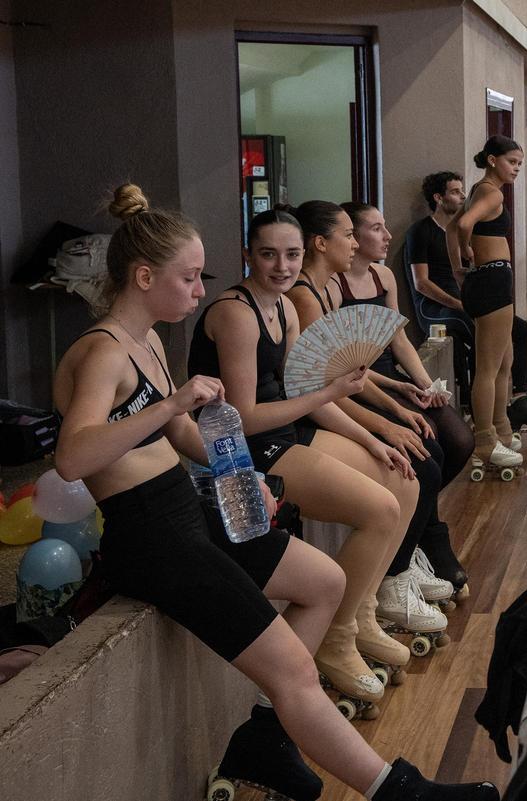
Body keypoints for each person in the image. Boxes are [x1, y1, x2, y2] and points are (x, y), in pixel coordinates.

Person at [58, 184, 496, 801]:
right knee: (294, 670)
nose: (199, 291)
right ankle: (399, 792)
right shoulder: (100, 353)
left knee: (325, 582)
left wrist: (246, 480)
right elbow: (73, 458)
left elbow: (185, 437)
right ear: (144, 276)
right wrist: (175, 403)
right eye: (188, 278)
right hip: (150, 538)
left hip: (187, 511)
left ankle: (264, 740)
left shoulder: (148, 341)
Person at [189, 206, 421, 707]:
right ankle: (336, 638)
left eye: (291, 255)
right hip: (243, 452)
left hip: (286, 432)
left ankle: (360, 615)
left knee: (404, 481)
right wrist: (328, 394)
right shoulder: (236, 314)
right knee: (380, 509)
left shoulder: (285, 308)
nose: (282, 266)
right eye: (268, 255)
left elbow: (305, 391)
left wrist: (373, 439)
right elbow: (245, 417)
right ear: (248, 255)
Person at [338, 200, 474, 599]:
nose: (387, 236)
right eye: (376, 228)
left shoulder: (382, 276)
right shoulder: (333, 285)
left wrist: (426, 385)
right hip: (363, 384)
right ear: (352, 237)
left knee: (459, 439)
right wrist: (397, 395)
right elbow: (342, 365)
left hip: (390, 377)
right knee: (427, 446)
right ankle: (419, 544)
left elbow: (398, 338)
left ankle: (420, 531)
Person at [408, 171, 527, 439]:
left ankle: (517, 402)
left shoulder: (466, 226)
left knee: (523, 333)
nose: (462, 196)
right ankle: (485, 427)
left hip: (470, 295)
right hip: (439, 306)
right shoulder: (421, 231)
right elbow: (422, 283)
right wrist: (457, 301)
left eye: (463, 191)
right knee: (487, 353)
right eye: (455, 192)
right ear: (438, 198)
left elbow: (460, 236)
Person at [445, 136, 525, 472]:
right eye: (511, 162)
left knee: (505, 360)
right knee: (489, 368)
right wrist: (467, 251)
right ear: (492, 159)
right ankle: (485, 442)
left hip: (487, 278)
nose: (516, 169)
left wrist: (458, 270)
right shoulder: (492, 193)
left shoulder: (479, 189)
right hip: (492, 279)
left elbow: (450, 228)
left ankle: (502, 429)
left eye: (519, 164)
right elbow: (462, 226)